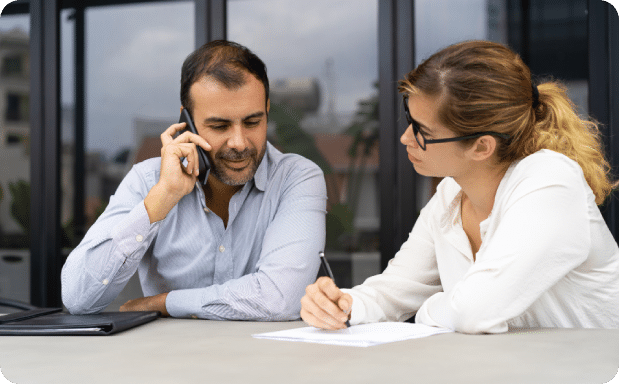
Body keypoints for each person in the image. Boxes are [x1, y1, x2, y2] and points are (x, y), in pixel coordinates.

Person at [301, 40, 619, 334]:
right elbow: (394, 291)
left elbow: (473, 311)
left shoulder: (550, 182)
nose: (405, 138)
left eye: (422, 131)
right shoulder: (450, 195)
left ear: (481, 147)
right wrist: (340, 305)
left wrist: (428, 310)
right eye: (409, 120)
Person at [62, 40, 327, 320]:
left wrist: (165, 303)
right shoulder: (147, 180)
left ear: (267, 110)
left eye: (252, 122)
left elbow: (278, 299)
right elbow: (78, 298)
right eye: (219, 126)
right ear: (186, 122)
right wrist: (162, 198)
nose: (239, 143)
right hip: (170, 361)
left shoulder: (296, 178)